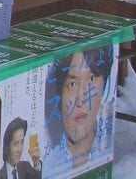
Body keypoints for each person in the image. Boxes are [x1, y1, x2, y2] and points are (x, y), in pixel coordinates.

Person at [44, 45, 116, 175]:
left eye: (91, 79)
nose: (81, 99)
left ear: (104, 83)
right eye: (72, 84)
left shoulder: (106, 143)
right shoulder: (47, 167)